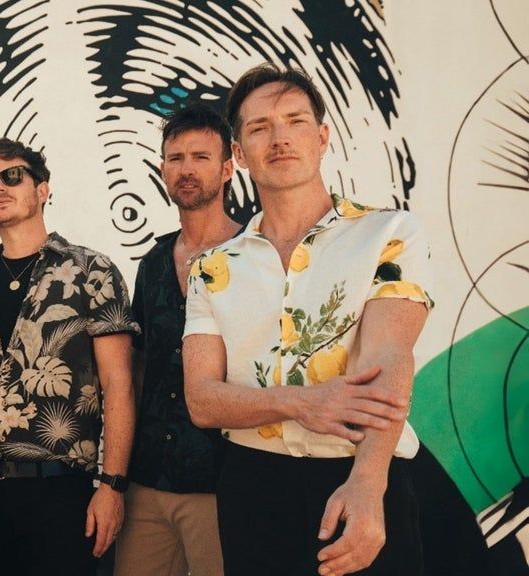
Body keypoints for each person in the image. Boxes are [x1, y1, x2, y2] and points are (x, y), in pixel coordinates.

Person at [182, 63, 433, 576]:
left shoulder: (388, 233)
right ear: (239, 154)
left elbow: (389, 358)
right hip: (252, 488)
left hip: (359, 471)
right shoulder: (211, 268)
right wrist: (302, 402)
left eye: (295, 121)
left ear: (321, 138)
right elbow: (202, 400)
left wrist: (368, 484)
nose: (280, 138)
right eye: (260, 128)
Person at [0, 138, 139, 575]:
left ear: (42, 189)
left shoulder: (91, 271)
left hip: (60, 492)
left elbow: (118, 385)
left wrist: (112, 486)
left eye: (12, 176)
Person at [113, 102, 240, 576]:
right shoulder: (153, 263)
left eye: (201, 157)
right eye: (176, 158)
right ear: (163, 169)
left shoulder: (255, 254)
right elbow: (138, 368)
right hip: (147, 480)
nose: (187, 169)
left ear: (227, 168)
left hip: (223, 483)